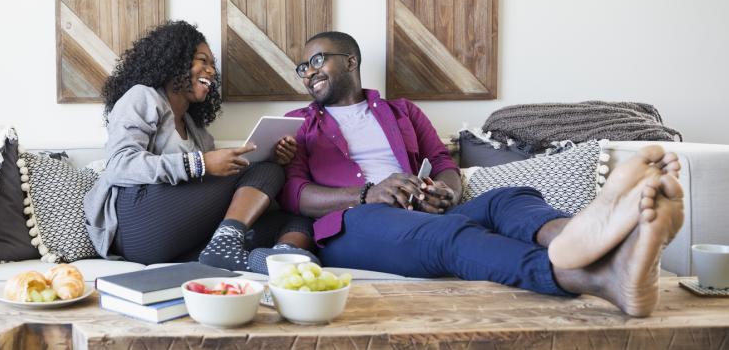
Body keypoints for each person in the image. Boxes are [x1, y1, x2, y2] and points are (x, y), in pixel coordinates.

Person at [280, 31, 685, 317]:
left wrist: (446, 192)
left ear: (350, 61)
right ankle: (596, 276)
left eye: (318, 60)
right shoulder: (297, 123)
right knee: (449, 238)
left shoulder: (403, 110)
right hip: (354, 225)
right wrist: (368, 192)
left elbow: (442, 161)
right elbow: (295, 194)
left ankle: (586, 238)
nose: (309, 72)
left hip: (424, 212)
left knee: (510, 197)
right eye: (303, 67)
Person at [83, 20, 318, 273]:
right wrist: (201, 163)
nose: (211, 71)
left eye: (212, 65)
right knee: (266, 170)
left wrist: (273, 158)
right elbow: (119, 166)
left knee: (294, 221)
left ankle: (280, 263)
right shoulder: (143, 96)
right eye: (202, 61)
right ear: (174, 60)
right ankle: (227, 244)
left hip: (173, 240)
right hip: (133, 226)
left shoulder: (198, 133)